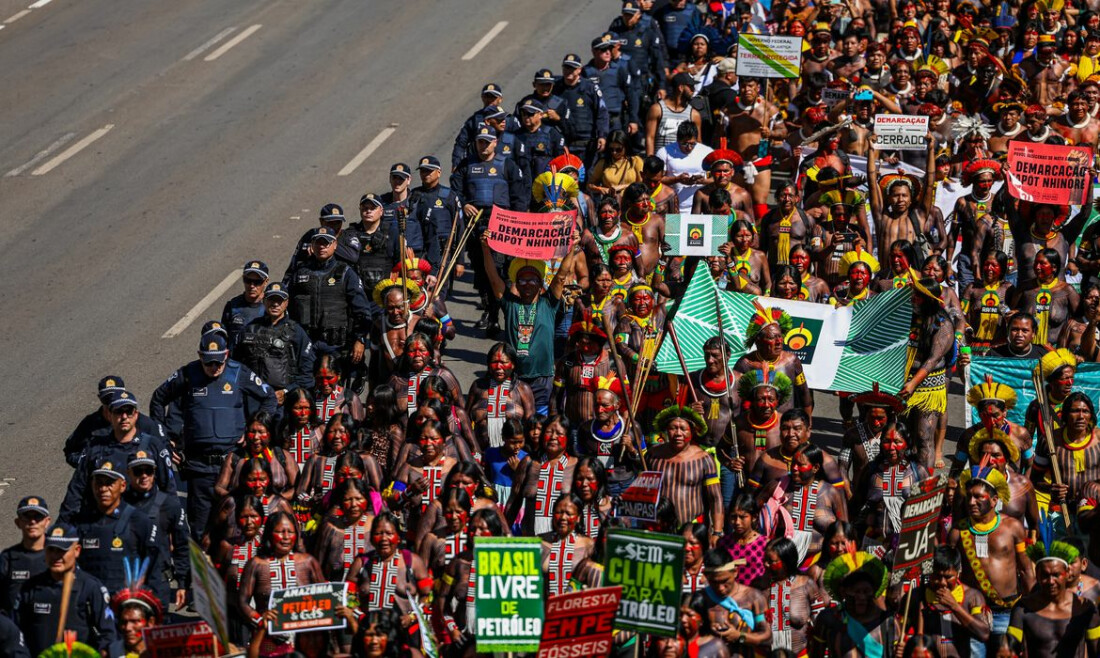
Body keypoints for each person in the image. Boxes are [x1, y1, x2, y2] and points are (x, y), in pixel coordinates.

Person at [150, 332, 276, 537]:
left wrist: (254, 428)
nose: (214, 367)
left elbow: (269, 397)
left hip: (234, 464)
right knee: (200, 529)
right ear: (200, 355)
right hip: (199, 468)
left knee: (236, 524)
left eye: (219, 362)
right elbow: (158, 398)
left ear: (226, 355)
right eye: (209, 362)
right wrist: (164, 440)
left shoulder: (239, 373)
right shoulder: (188, 374)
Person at [481, 238, 580, 415]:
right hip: (514, 377)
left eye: (533, 280)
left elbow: (561, 276)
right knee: (516, 422)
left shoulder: (548, 303)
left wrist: (571, 247)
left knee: (539, 424)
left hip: (543, 378)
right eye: (523, 280)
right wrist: (485, 247)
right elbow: (492, 277)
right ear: (516, 285)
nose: (527, 284)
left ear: (541, 283)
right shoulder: (510, 304)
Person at [948, 464, 1035, 651]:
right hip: (973, 612)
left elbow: (1026, 570)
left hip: (1007, 612)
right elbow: (948, 570)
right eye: (969, 496)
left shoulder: (1012, 527)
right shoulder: (957, 532)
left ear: (994, 500)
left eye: (978, 497)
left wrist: (1031, 611)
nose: (971, 502)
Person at [60, 389, 176, 521]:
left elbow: (167, 489)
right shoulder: (95, 448)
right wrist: (63, 529)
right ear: (109, 415)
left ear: (136, 414)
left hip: (143, 523)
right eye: (119, 411)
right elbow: (76, 491)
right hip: (105, 523)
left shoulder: (153, 446)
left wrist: (154, 517)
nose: (124, 416)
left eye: (129, 411)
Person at [70, 458, 164, 605]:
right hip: (89, 604)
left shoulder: (139, 521)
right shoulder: (79, 522)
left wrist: (157, 608)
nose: (103, 489)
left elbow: (153, 569)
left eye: (109, 483)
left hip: (127, 606)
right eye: (99, 483)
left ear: (122, 486)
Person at [16, 522, 117, 656]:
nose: (56, 556)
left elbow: (107, 636)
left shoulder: (91, 588)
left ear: (77, 551)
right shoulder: (30, 587)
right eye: (51, 549)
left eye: (62, 551)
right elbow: (17, 632)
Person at [1008, 528, 1100, 658]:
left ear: (1066, 574)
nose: (1051, 581)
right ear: (1038, 575)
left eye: (1056, 575)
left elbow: (1096, 650)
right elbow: (1011, 647)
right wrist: (1006, 649)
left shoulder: (1085, 608)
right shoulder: (1023, 609)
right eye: (1045, 575)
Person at [285, 226, 373, 362]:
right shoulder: (301, 272)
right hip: (306, 344)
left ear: (335, 245)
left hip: (336, 345)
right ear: (312, 245)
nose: (322, 246)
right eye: (318, 242)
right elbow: (285, 306)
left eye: (326, 242)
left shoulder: (345, 273)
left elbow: (362, 311)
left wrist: (360, 339)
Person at [124, 451, 189, 611]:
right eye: (138, 471)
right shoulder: (118, 504)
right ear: (128, 473)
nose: (144, 476)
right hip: (125, 583)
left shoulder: (169, 505)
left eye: (149, 470)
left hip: (158, 582)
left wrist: (182, 583)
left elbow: (183, 546)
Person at [232, 281, 315, 404]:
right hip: (253, 398)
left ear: (286, 303)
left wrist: (286, 392)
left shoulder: (297, 332)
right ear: (264, 301)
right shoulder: (250, 329)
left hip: (284, 401)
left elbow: (307, 375)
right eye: (271, 299)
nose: (275, 304)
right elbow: (236, 365)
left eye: (279, 300)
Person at [63, 375, 167, 469]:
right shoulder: (89, 424)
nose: (111, 402)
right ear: (99, 399)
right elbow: (71, 451)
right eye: (107, 399)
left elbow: (162, 448)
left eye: (116, 397)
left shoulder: (141, 422)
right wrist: (89, 463)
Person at [648, 405, 723, 532]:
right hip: (660, 528)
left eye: (683, 429)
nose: (678, 433)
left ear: (692, 432)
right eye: (673, 428)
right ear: (666, 430)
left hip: (693, 529)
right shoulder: (653, 456)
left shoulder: (704, 459)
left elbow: (715, 498)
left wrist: (717, 531)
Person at [700, 550, 772, 655]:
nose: (721, 588)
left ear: (735, 572)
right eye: (714, 582)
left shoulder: (754, 598)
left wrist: (739, 636)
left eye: (725, 581)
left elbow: (767, 638)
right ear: (706, 577)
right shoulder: (701, 599)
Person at [0, 496, 50, 615]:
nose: (32, 522)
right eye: (27, 517)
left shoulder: (59, 556)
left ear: (47, 521)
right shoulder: (8, 558)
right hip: (15, 629)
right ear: (18, 522)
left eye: (38, 517)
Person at [657, 121, 713, 214]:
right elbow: (657, 179)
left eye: (693, 144)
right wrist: (677, 179)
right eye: (685, 144)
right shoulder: (664, 152)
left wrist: (703, 181)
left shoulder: (707, 151)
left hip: (701, 208)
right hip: (674, 208)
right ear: (678, 140)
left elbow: (718, 178)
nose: (689, 147)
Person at [222, 260, 270, 343]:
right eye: (248, 280)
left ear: (266, 282)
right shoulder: (233, 306)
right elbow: (223, 338)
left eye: (257, 282)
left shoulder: (272, 308)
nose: (252, 286)